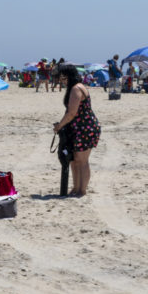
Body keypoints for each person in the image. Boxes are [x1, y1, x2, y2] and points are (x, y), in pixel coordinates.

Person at [53, 64, 100, 197]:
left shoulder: (76, 89)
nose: (61, 80)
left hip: (86, 128)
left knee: (82, 160)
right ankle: (76, 188)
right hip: (78, 127)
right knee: (73, 160)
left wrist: (60, 126)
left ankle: (82, 190)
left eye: (62, 77)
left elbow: (72, 113)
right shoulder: (75, 87)